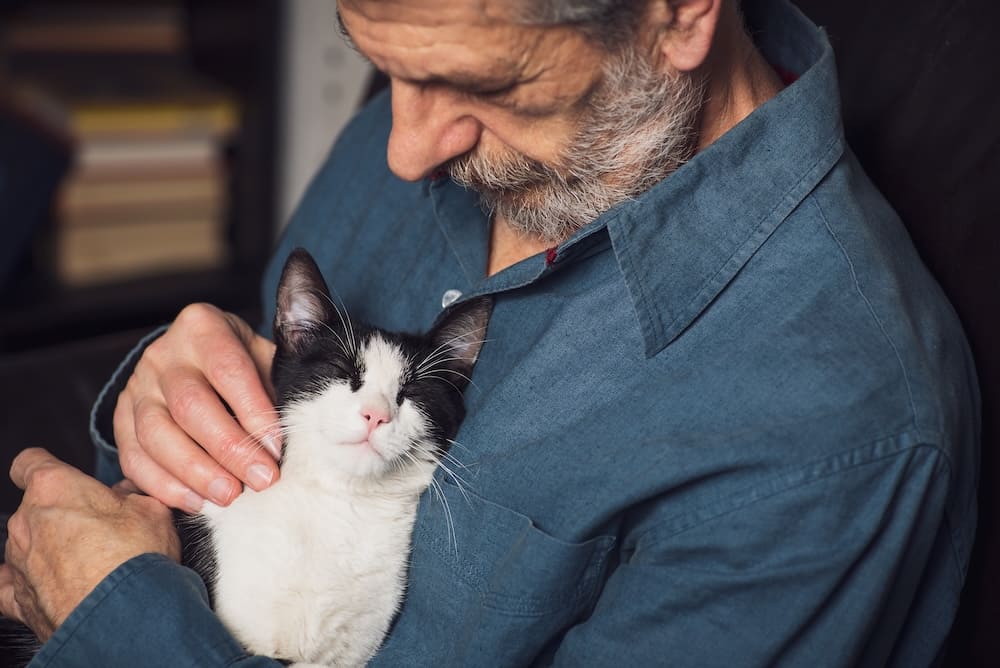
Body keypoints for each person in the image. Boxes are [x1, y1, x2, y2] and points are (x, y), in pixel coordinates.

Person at [0, 0, 980, 665]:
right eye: (379, 68)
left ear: (680, 11)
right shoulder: (441, 80)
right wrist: (169, 411)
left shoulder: (831, 430)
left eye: (490, 88)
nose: (402, 149)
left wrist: (121, 622)